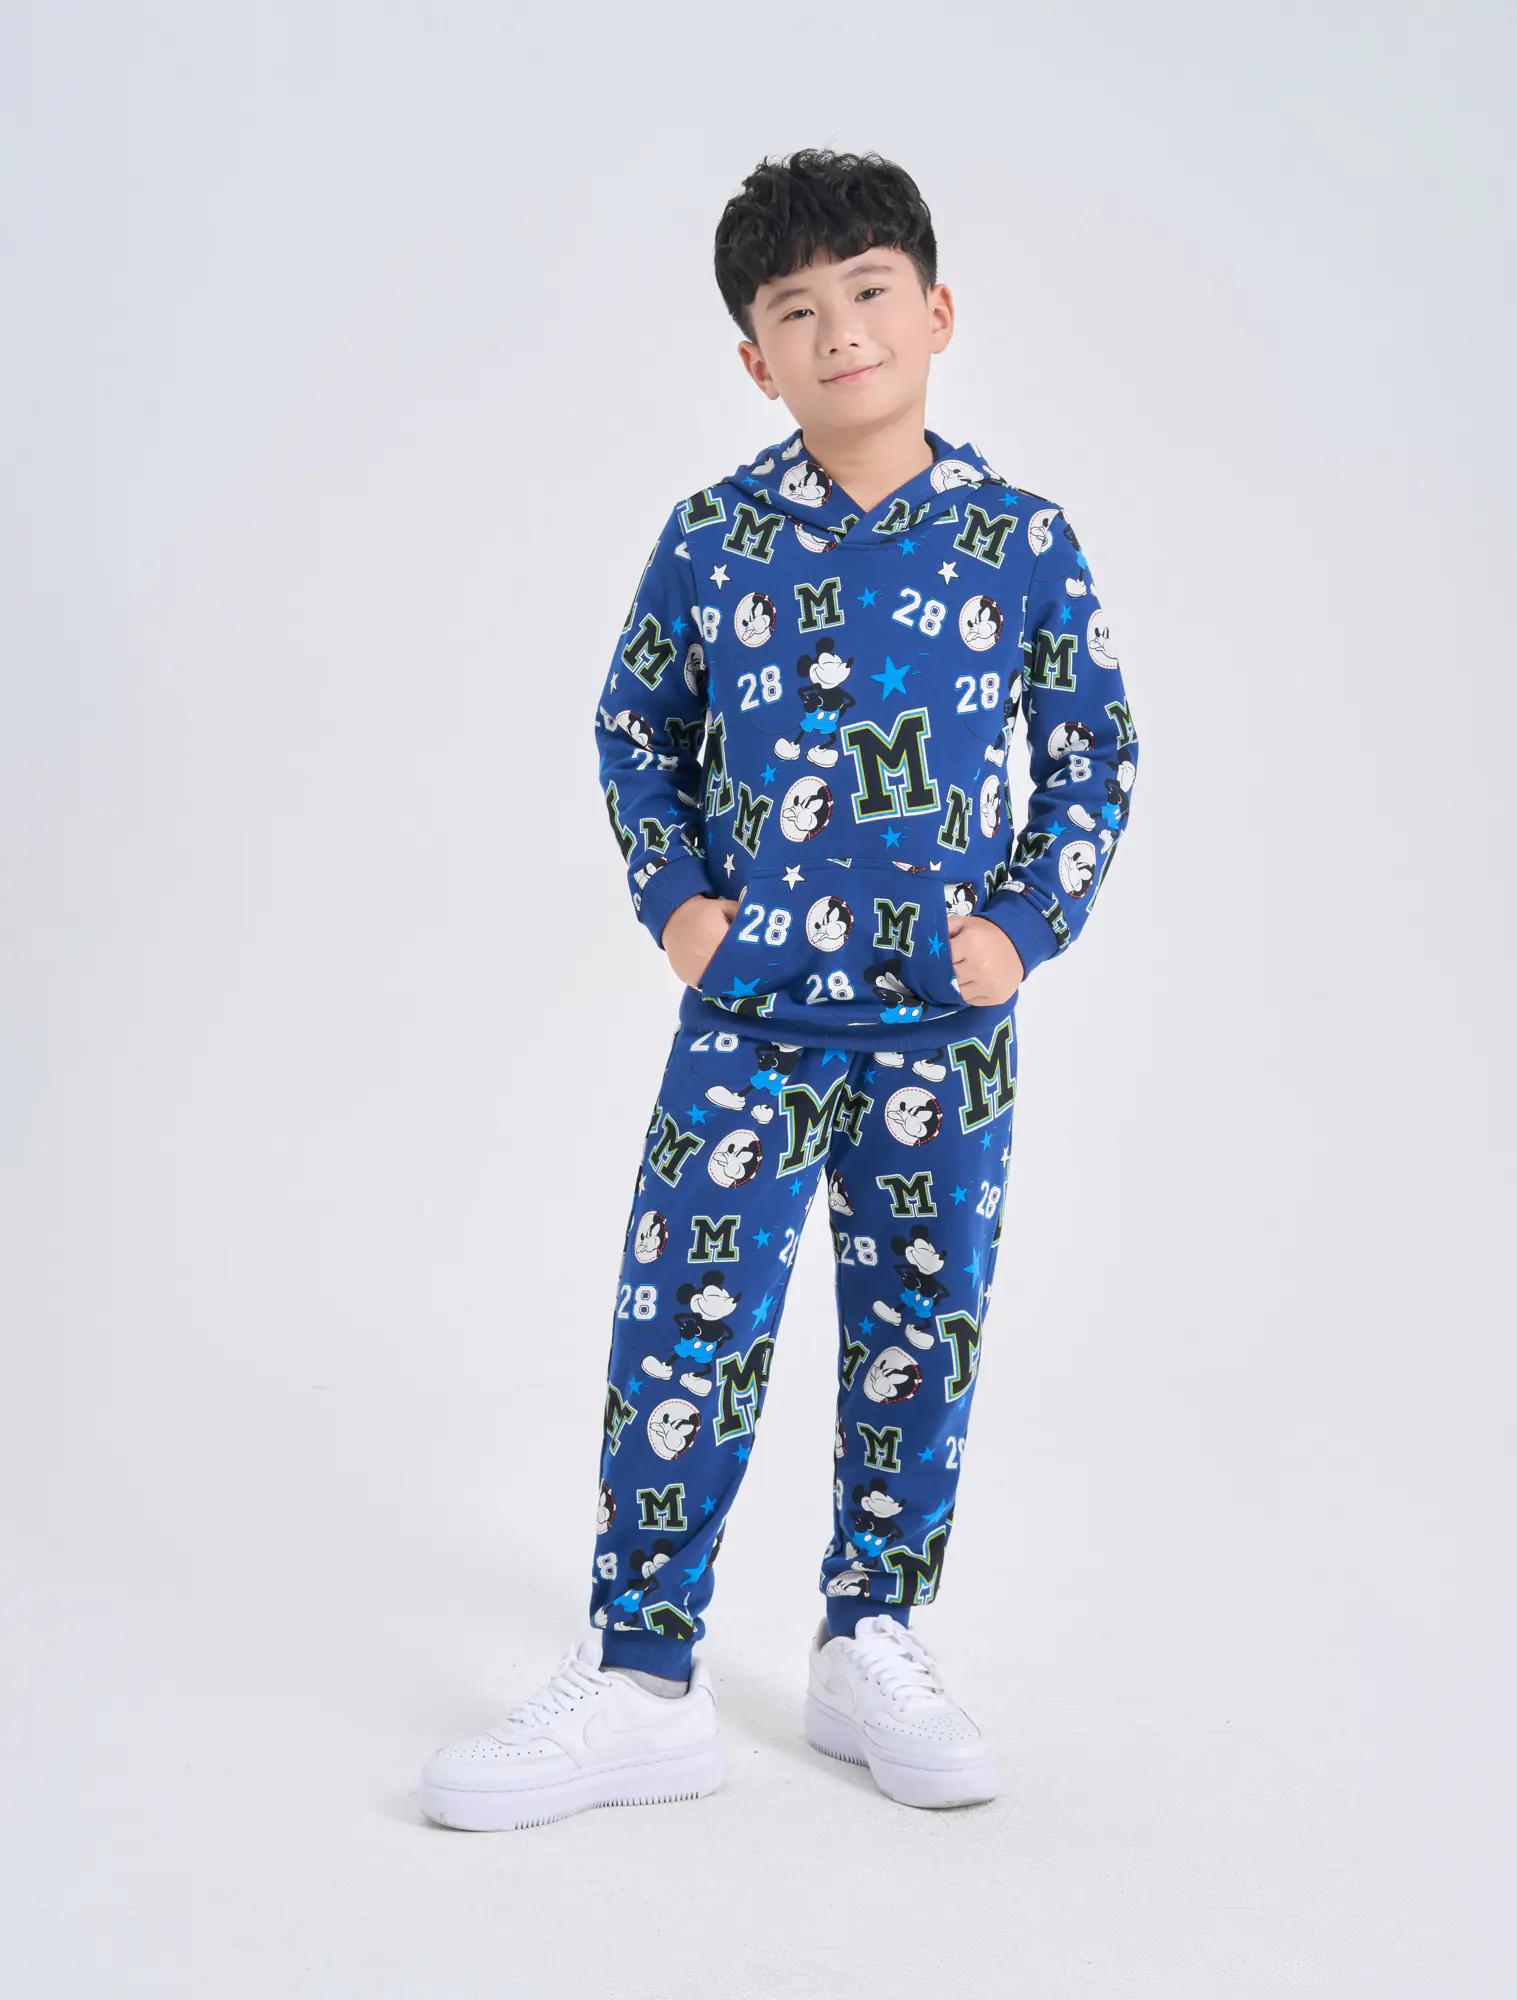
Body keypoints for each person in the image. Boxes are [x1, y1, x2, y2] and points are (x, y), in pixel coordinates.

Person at [419, 146, 1139, 1831]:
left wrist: (1025, 927)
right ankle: (640, 1675)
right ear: (757, 358)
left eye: (870, 292)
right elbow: (637, 729)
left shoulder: (1017, 540)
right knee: (684, 1321)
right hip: (749, 1024)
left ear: (937, 312)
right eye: (797, 312)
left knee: (918, 1334)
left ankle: (870, 1638)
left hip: (945, 1038)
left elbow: (1094, 749)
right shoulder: (716, 540)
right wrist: (680, 910)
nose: (841, 331)